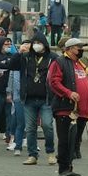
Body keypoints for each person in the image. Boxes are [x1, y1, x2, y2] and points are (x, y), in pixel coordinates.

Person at [47, 37, 88, 176]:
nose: (81, 50)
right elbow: (54, 82)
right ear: (70, 48)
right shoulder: (60, 62)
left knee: (73, 140)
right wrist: (68, 93)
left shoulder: (78, 63)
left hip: (80, 111)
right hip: (66, 108)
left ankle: (69, 166)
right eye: (79, 47)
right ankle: (63, 168)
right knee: (65, 140)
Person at [15, 33, 56, 165]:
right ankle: (33, 155)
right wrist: (19, 52)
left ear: (45, 44)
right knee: (30, 128)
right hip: (29, 99)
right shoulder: (26, 57)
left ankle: (50, 152)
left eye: (39, 42)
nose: (36, 45)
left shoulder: (53, 58)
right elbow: (12, 65)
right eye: (34, 42)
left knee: (47, 125)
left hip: (46, 99)